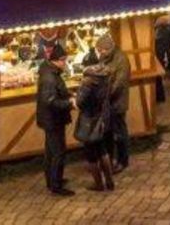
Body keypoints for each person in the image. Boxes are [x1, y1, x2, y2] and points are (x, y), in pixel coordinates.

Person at [36, 43, 74, 196]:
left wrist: (68, 94)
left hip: (50, 119)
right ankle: (56, 185)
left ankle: (52, 180)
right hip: (53, 119)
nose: (65, 63)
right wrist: (69, 103)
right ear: (56, 60)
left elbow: (56, 93)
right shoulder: (50, 78)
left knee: (51, 151)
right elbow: (50, 101)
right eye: (63, 60)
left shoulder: (50, 73)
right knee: (58, 152)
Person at [74, 62, 114, 192]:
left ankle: (99, 184)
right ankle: (110, 181)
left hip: (89, 120)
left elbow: (80, 102)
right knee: (102, 150)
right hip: (100, 118)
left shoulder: (88, 82)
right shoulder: (105, 77)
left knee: (91, 153)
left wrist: (75, 97)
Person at [96, 33, 130, 173]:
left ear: (109, 48)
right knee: (108, 132)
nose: (100, 53)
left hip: (117, 103)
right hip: (107, 103)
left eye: (101, 50)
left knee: (120, 133)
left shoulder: (121, 60)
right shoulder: (106, 56)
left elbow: (119, 84)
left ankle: (123, 160)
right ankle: (109, 159)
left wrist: (105, 94)